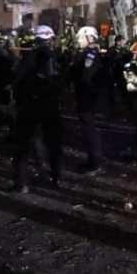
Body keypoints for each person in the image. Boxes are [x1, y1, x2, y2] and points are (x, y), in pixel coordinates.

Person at [11, 25, 63, 193]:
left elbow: (18, 79)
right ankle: (55, 178)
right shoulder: (56, 57)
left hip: (30, 105)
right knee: (53, 143)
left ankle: (22, 182)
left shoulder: (29, 56)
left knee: (23, 144)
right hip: (51, 105)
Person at [71, 26, 110, 175]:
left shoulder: (90, 55)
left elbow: (86, 77)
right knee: (87, 130)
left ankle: (95, 163)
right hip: (87, 97)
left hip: (88, 98)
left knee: (90, 131)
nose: (79, 40)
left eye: (82, 38)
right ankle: (92, 160)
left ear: (90, 38)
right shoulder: (86, 53)